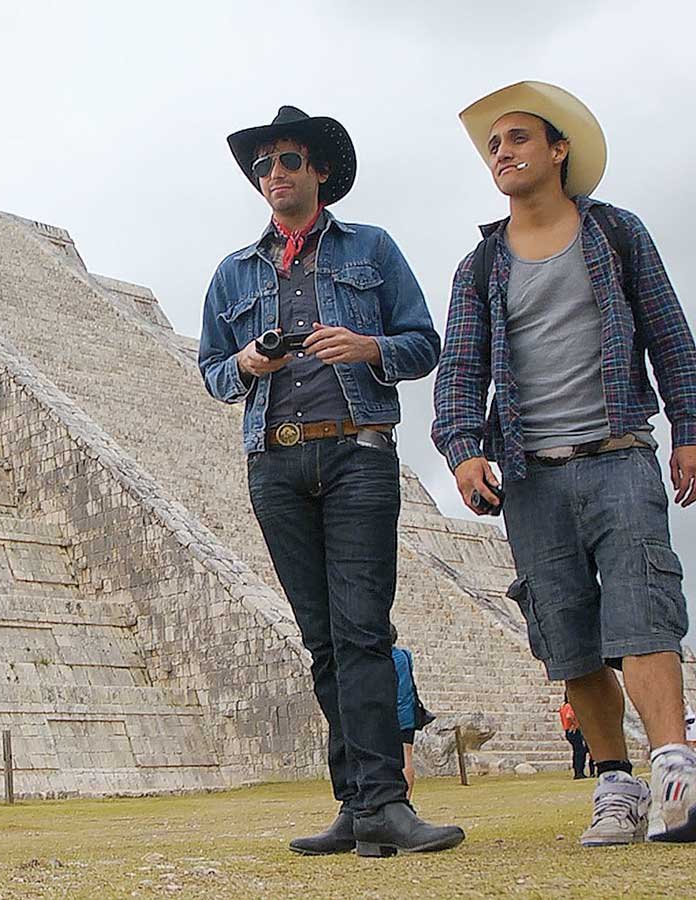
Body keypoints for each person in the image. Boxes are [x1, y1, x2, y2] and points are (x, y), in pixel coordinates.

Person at [432, 81, 696, 846]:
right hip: (532, 474)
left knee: (645, 609)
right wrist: (462, 450)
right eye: (493, 146)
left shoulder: (616, 235)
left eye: (518, 139)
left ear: (559, 150)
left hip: (618, 454)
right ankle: (617, 784)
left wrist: (689, 428)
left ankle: (675, 771)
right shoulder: (480, 266)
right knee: (569, 633)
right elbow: (458, 375)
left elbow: (672, 339)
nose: (503, 154)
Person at [199, 106, 461, 858]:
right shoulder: (233, 273)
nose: (273, 175)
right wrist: (248, 363)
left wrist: (367, 345)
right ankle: (356, 805)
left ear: (317, 170)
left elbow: (422, 343)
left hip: (357, 454)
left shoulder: (371, 248)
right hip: (275, 460)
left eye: (286, 161)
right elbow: (213, 372)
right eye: (263, 167)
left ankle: (384, 802)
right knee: (321, 641)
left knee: (363, 633)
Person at [390, 627, 424, 797]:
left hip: (390, 714)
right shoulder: (405, 655)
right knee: (407, 757)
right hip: (408, 713)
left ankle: (394, 798)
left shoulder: (384, 660)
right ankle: (407, 799)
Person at [561, 700, 591, 780]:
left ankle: (577, 771)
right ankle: (579, 772)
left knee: (577, 751)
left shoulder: (563, 707)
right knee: (580, 751)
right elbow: (569, 716)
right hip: (574, 730)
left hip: (568, 730)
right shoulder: (570, 706)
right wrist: (575, 724)